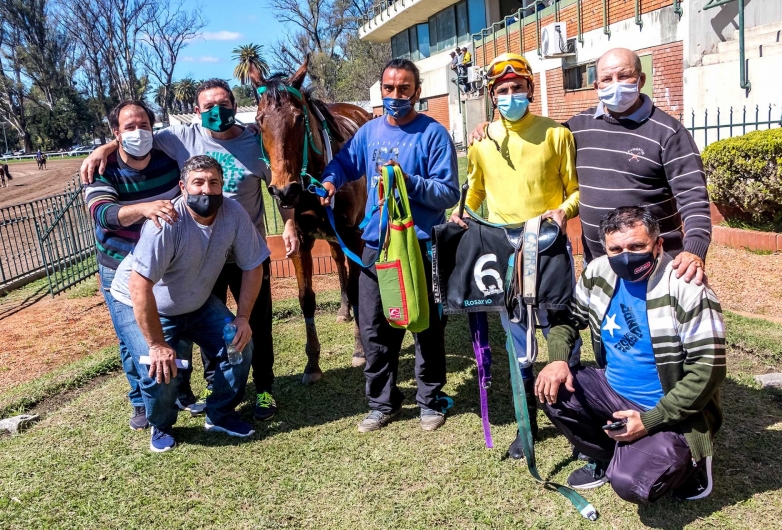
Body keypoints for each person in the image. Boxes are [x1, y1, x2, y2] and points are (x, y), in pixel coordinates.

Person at [81, 79, 292, 421]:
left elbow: (280, 178)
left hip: (235, 250)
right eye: (208, 106)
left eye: (224, 104)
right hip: (171, 256)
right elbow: (129, 152)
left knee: (248, 323)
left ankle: (263, 389)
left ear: (235, 107)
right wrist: (104, 149)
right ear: (196, 112)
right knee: (176, 329)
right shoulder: (179, 138)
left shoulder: (254, 141)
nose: (217, 111)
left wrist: (289, 222)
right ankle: (185, 393)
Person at [469, 48, 712, 285]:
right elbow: (533, 136)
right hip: (598, 264)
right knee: (605, 326)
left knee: (658, 325)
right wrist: (490, 129)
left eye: (624, 75)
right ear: (597, 86)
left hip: (655, 263)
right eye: (606, 78)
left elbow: (693, 198)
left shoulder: (668, 132)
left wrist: (695, 250)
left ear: (641, 80)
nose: (615, 84)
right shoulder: (577, 128)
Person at [537, 206, 725, 502]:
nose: (626, 255)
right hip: (613, 390)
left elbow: (708, 370)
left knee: (630, 484)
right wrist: (558, 358)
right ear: (606, 249)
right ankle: (610, 453)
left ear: (659, 244)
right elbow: (568, 321)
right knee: (553, 389)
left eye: (637, 246)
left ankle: (691, 465)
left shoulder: (686, 286)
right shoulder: (598, 271)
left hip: (670, 409)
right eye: (616, 248)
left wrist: (649, 420)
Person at [449, 52, 580, 459]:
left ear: (530, 89)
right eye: (503, 91)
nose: (511, 96)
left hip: (549, 248)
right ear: (492, 95)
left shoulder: (557, 134)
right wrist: (460, 213)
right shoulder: (482, 141)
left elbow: (575, 191)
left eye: (517, 89)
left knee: (560, 333)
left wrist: (563, 210)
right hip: (506, 255)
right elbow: (475, 191)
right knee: (518, 343)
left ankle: (575, 424)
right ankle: (527, 429)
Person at [318, 58, 460, 433]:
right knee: (374, 327)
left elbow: (448, 193)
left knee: (425, 324)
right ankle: (383, 403)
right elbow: (344, 163)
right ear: (380, 90)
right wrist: (331, 181)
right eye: (389, 89)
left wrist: (407, 182)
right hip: (375, 245)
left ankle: (430, 400)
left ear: (417, 91)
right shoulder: (369, 132)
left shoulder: (433, 133)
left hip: (421, 246)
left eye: (404, 89)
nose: (396, 96)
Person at [110, 155, 270, 452]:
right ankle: (162, 424)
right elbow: (139, 285)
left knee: (240, 344)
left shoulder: (234, 214)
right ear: (183, 187)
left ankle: (219, 413)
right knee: (158, 366)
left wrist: (243, 317)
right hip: (142, 303)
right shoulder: (166, 222)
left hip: (195, 302)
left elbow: (253, 265)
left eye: (213, 183)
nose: (206, 190)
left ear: (223, 186)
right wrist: (157, 345)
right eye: (198, 183)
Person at [85, 100, 183, 431]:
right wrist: (144, 208)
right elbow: (103, 213)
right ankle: (141, 400)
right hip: (119, 263)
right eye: (129, 128)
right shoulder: (101, 169)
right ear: (116, 133)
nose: (138, 132)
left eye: (144, 125)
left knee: (172, 326)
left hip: (160, 261)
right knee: (132, 336)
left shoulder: (169, 160)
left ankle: (181, 389)